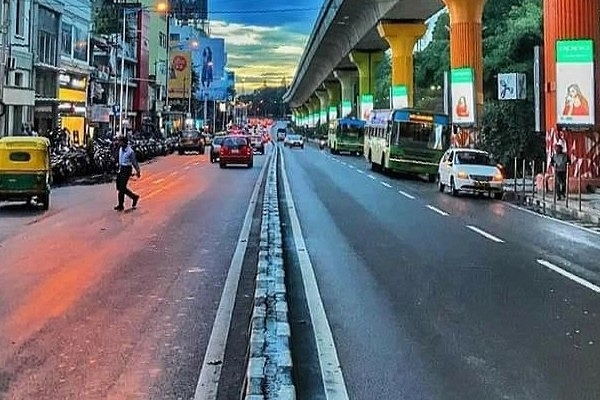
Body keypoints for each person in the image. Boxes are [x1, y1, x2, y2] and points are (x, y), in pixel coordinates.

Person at [114, 136, 140, 211]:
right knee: (119, 187)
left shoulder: (130, 151)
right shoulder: (120, 149)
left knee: (122, 187)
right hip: (120, 168)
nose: (119, 143)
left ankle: (121, 205)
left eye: (120, 141)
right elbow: (116, 156)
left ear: (124, 142)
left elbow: (134, 162)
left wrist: (138, 171)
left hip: (126, 169)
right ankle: (134, 197)